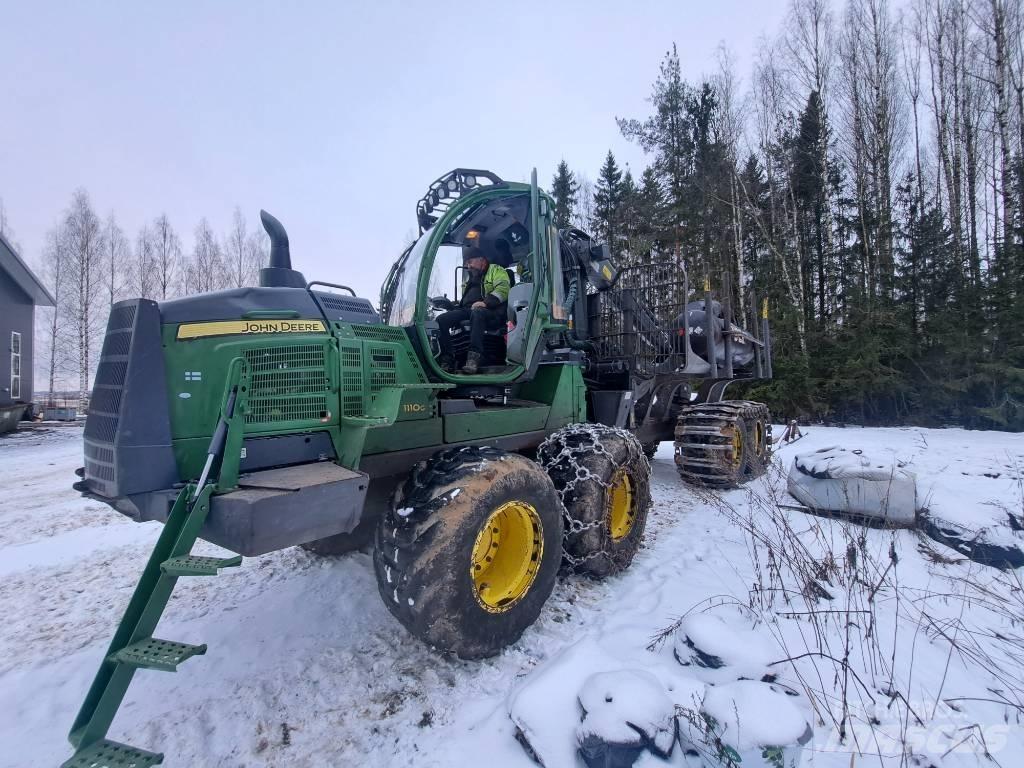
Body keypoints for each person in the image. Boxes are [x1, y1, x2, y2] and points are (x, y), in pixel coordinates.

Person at [434, 252, 510, 374]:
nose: (468, 266)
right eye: (466, 263)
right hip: (469, 310)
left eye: (470, 262)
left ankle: (474, 359)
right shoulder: (471, 278)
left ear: (482, 260)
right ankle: (448, 358)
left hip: (492, 311)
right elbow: (467, 302)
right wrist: (451, 306)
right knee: (441, 320)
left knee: (477, 312)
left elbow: (503, 289)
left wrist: (485, 303)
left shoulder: (496, 270)